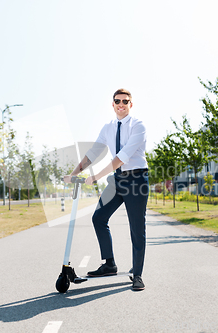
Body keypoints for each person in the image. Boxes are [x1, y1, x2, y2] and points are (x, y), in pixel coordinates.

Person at [63, 88, 149, 291]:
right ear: (112, 104)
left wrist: (95, 177)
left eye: (125, 101)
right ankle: (109, 264)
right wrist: (75, 173)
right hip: (117, 180)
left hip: (137, 180)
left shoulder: (138, 126)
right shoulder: (108, 127)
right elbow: (94, 152)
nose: (121, 104)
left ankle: (137, 275)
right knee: (99, 218)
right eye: (117, 101)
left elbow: (121, 157)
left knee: (137, 229)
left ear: (131, 104)